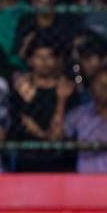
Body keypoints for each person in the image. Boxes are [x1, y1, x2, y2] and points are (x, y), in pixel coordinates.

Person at [9, 34, 76, 172]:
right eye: (39, 57)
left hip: (61, 161)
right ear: (30, 61)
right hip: (29, 160)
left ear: (56, 60)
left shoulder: (67, 88)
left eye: (49, 57)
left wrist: (41, 134)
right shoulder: (21, 90)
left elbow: (65, 132)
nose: (44, 62)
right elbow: (18, 127)